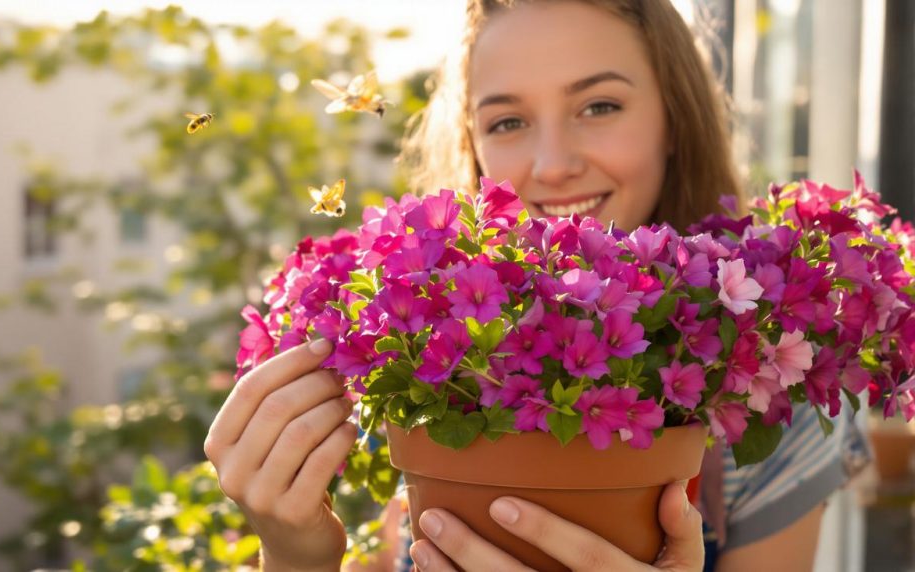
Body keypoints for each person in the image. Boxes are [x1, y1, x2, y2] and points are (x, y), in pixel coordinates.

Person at [205, 0, 868, 570]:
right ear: (474, 147)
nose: (552, 165)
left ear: (675, 120)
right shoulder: (422, 371)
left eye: (599, 106)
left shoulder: (768, 399)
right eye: (507, 121)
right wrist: (296, 555)